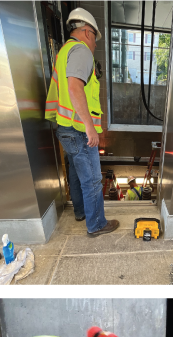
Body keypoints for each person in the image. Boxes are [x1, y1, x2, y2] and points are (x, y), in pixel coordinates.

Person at [45, 7, 118, 237]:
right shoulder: (82, 51)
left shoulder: (64, 52)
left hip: (65, 127)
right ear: (87, 32)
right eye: (95, 39)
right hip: (79, 130)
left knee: (76, 173)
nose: (95, 45)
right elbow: (75, 87)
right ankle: (96, 224)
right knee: (93, 181)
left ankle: (80, 212)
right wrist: (89, 127)